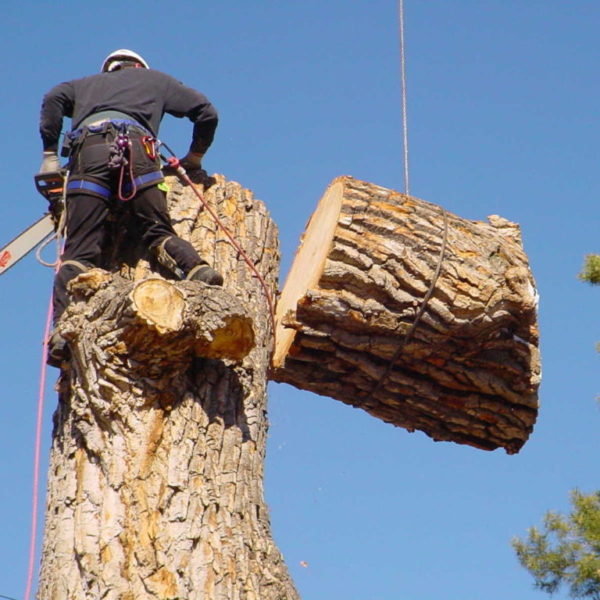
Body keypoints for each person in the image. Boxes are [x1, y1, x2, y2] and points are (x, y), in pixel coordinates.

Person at [38, 49, 222, 367]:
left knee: (79, 254)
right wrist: (194, 158)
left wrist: (50, 156)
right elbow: (207, 113)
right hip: (141, 154)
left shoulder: (82, 85)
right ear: (139, 67)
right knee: (157, 232)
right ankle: (197, 269)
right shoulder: (156, 81)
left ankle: (63, 332)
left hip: (89, 155)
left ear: (108, 69)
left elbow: (53, 99)